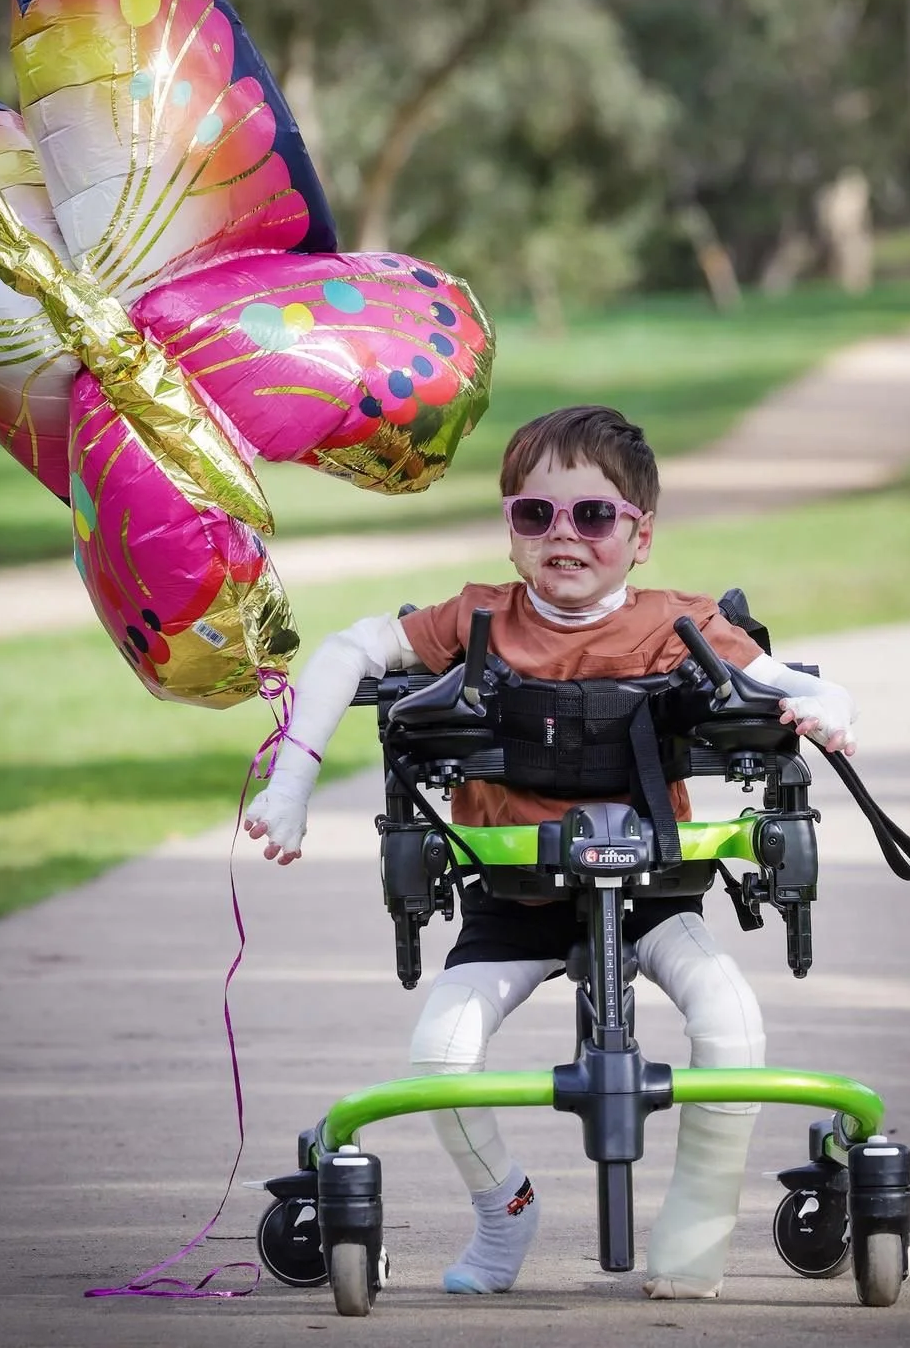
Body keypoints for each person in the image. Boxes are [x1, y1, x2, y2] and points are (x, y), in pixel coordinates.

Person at [244, 405, 857, 1300]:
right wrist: (289, 787)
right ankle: (507, 1207)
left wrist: (827, 701)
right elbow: (347, 650)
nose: (563, 534)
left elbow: (783, 679)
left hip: (654, 887)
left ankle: (693, 1240)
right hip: (513, 892)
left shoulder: (674, 622)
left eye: (593, 515)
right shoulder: (478, 617)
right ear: (510, 527)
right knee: (441, 1054)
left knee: (731, 1020)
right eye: (536, 514)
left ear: (640, 535)